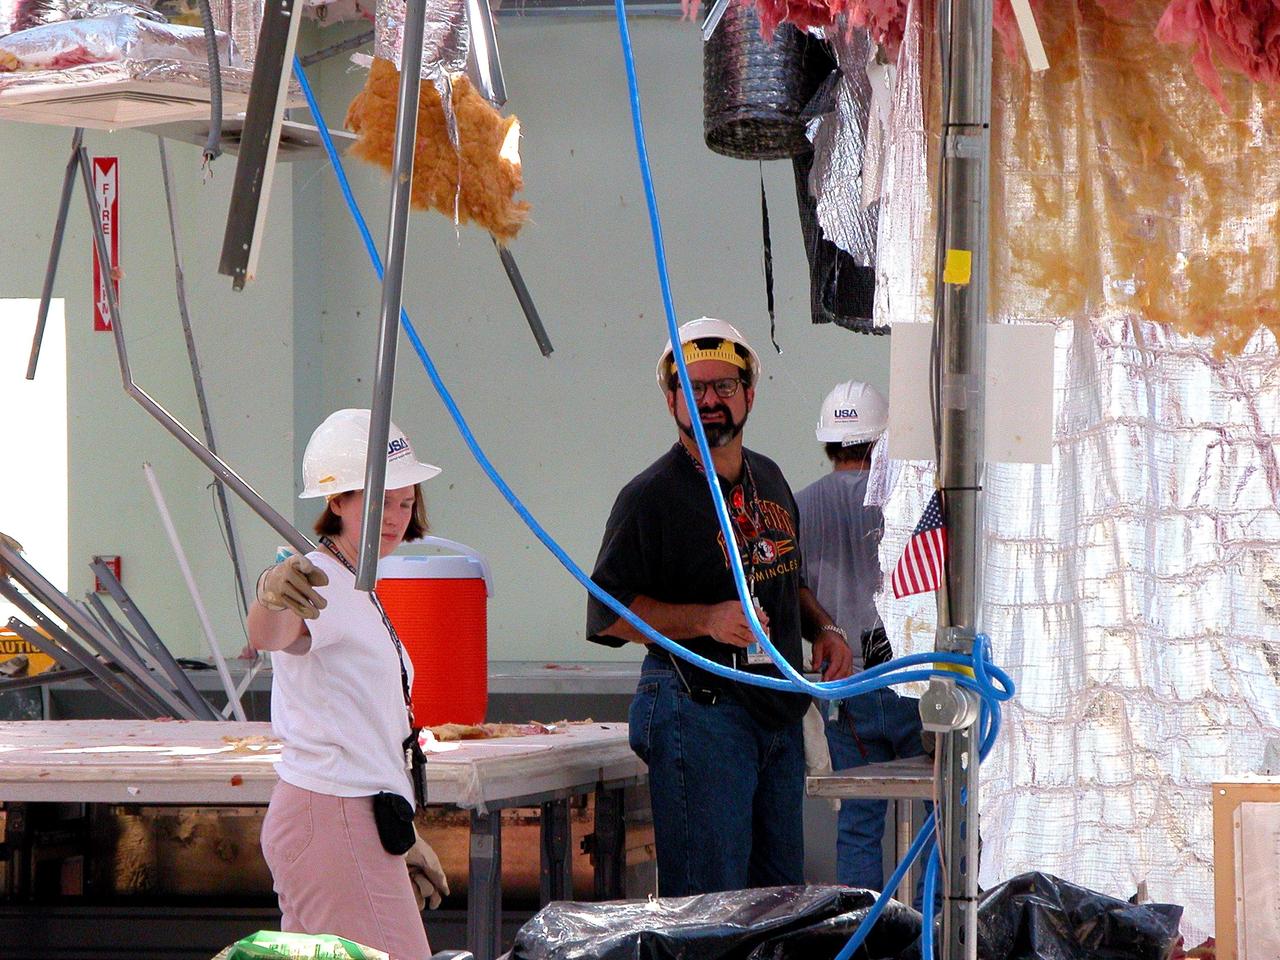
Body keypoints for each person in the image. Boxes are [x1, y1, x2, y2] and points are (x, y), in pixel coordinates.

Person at [586, 317, 854, 897]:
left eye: (723, 388)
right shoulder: (650, 497)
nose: (709, 401)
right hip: (698, 713)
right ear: (672, 400)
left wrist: (824, 629)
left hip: (774, 713)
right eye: (694, 388)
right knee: (711, 905)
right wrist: (704, 620)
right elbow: (607, 611)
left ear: (749, 394)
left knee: (777, 903)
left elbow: (785, 575)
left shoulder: (771, 478)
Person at [248, 409, 449, 959]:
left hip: (347, 817)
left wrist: (396, 833)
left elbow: (367, 725)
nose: (397, 517)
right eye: (380, 500)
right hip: (332, 816)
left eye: (406, 503)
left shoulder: (357, 584)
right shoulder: (323, 580)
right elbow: (275, 634)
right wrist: (270, 593)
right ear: (336, 501)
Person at [794, 381, 928, 897]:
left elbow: (792, 589)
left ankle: (865, 938)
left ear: (829, 441)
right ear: (882, 441)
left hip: (845, 685)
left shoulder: (800, 506)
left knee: (858, 821)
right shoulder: (906, 500)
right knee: (944, 815)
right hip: (912, 682)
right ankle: (939, 936)